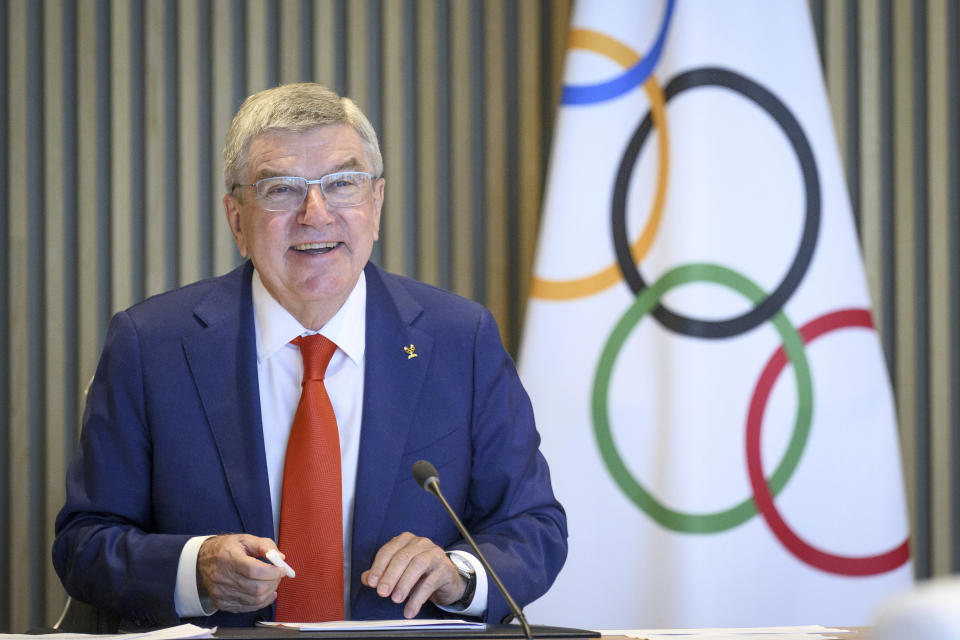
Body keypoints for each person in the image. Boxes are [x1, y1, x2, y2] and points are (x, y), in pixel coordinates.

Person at [51, 83, 567, 630]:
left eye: (343, 183)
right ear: (237, 219)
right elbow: (85, 544)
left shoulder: (460, 340)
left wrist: (459, 574)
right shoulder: (151, 345)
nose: (315, 213)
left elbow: (533, 526)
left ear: (377, 204)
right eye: (280, 190)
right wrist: (194, 569)